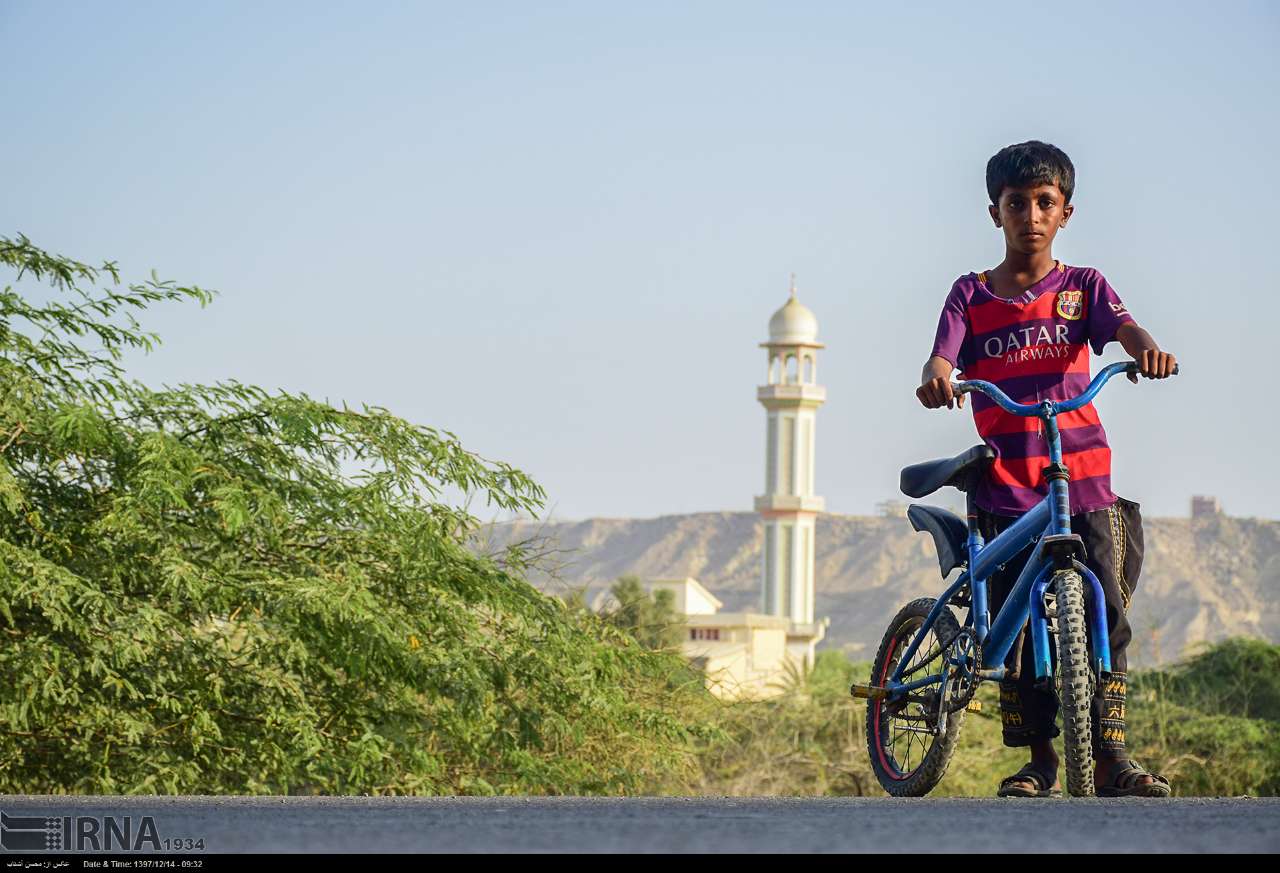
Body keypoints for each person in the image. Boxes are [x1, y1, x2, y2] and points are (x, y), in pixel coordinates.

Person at [917, 140, 1176, 798]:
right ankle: (1040, 760)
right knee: (1015, 626)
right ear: (994, 212)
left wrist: (1149, 353)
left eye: (1044, 203)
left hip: (1081, 480)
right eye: (1015, 204)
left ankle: (1113, 757)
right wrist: (939, 377)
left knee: (1105, 616)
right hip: (1005, 484)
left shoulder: (1083, 287)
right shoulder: (969, 295)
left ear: (1065, 211)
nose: (1030, 214)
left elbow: (1127, 331)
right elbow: (941, 357)